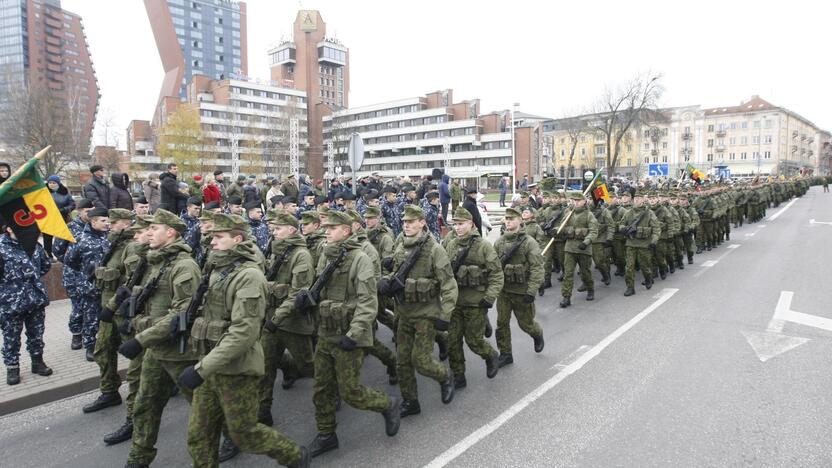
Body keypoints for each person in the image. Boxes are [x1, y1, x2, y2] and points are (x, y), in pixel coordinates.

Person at [176, 213, 311, 468]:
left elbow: (244, 332)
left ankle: (293, 454)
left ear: (237, 239)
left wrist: (202, 368)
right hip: (210, 363)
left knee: (244, 432)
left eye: (218, 237)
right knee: (199, 435)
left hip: (237, 368)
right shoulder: (217, 269)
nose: (212, 242)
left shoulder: (248, 276)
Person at [303, 210, 400, 457]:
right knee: (321, 389)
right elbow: (320, 289)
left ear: (346, 231)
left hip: (349, 335)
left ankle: (387, 404)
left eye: (331, 228)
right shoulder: (327, 256)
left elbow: (368, 303)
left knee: (351, 392)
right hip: (326, 332)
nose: (326, 232)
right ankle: (326, 435)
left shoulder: (360, 259)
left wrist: (354, 334)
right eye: (325, 228)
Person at [117, 209, 202, 467]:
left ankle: (228, 439)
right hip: (156, 350)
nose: (149, 233)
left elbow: (181, 314)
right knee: (146, 404)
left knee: (202, 408)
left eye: (155, 229)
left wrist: (141, 340)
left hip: (179, 351)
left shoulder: (184, 265)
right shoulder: (157, 261)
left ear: (172, 232)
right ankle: (139, 458)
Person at [379, 205, 458, 417]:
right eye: (404, 222)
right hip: (403, 313)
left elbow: (449, 284)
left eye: (411, 222)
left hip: (425, 314)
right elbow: (395, 272)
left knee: (421, 361)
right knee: (402, 361)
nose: (406, 225)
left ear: (422, 223)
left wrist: (445, 315)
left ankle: (444, 376)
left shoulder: (434, 250)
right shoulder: (400, 244)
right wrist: (385, 282)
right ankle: (410, 401)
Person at [259, 211, 316, 426]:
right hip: (272, 319)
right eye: (273, 229)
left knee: (308, 365)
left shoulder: (301, 255)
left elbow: (298, 293)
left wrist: (277, 318)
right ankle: (263, 410)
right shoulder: (276, 251)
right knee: (266, 365)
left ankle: (333, 387)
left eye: (278, 229)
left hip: (293, 322)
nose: (273, 232)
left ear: (292, 230)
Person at [443, 208, 502, 389]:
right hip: (455, 302)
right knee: (452, 341)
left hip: (476, 302)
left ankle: (490, 355)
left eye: (461, 224)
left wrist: (490, 297)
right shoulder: (451, 244)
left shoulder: (483, 246)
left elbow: (496, 274)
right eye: (455, 224)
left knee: (474, 341)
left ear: (471, 224)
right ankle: (458, 376)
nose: (458, 228)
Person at [83, 209, 134, 421]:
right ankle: (109, 391)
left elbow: (133, 282)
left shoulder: (132, 247)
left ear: (126, 224)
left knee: (137, 356)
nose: (109, 225)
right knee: (102, 349)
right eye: (109, 222)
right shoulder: (111, 244)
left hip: (123, 311)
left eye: (114, 223)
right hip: (107, 309)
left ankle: (147, 396)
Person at [0, 223, 52, 385]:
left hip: (35, 299)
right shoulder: (1, 248)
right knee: (11, 337)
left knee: (36, 334)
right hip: (11, 302)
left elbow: (45, 265)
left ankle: (37, 362)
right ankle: (12, 368)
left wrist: (31, 281)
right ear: (8, 228)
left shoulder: (34, 245)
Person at [493, 208, 544, 368]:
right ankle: (506, 354)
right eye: (506, 219)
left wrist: (531, 291)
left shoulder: (529, 242)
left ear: (520, 221)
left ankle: (537, 334)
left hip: (522, 291)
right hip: (504, 291)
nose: (508, 221)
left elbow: (537, 267)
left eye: (512, 218)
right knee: (501, 323)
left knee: (526, 324)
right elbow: (493, 267)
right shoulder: (499, 242)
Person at [64, 207, 110, 362]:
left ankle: (107, 343)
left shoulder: (107, 237)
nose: (106, 223)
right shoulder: (81, 239)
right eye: (103, 220)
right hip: (89, 287)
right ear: (93, 221)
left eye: (107, 220)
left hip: (107, 286)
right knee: (91, 317)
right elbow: (70, 260)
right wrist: (85, 274)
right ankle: (90, 346)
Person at [559, 193, 599, 307]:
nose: (576, 202)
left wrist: (586, 242)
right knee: (568, 273)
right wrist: (556, 231)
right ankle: (566, 297)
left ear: (584, 201)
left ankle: (590, 289)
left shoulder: (589, 215)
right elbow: (561, 227)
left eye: (578, 200)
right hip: (570, 248)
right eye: (574, 200)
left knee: (585, 272)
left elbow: (594, 232)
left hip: (583, 249)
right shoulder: (568, 213)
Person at [46, 175, 75, 258]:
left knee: (62, 237)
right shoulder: (44, 192)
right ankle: (48, 254)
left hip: (62, 217)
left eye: (53, 183)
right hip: (48, 218)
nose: (51, 184)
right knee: (47, 237)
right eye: (50, 183)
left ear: (58, 183)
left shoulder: (65, 192)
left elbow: (72, 205)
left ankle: (63, 253)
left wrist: (63, 210)